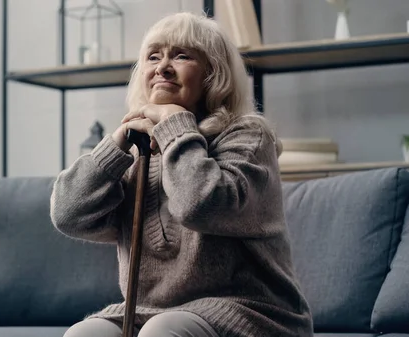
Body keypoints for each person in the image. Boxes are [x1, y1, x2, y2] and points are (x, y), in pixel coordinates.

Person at [50, 11, 313, 337]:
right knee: (83, 334)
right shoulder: (136, 150)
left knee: (162, 332)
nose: (162, 66)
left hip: (250, 309)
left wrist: (175, 124)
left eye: (182, 55)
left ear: (213, 74)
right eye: (153, 56)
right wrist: (116, 144)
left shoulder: (248, 137)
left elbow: (199, 204)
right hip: (150, 311)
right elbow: (67, 214)